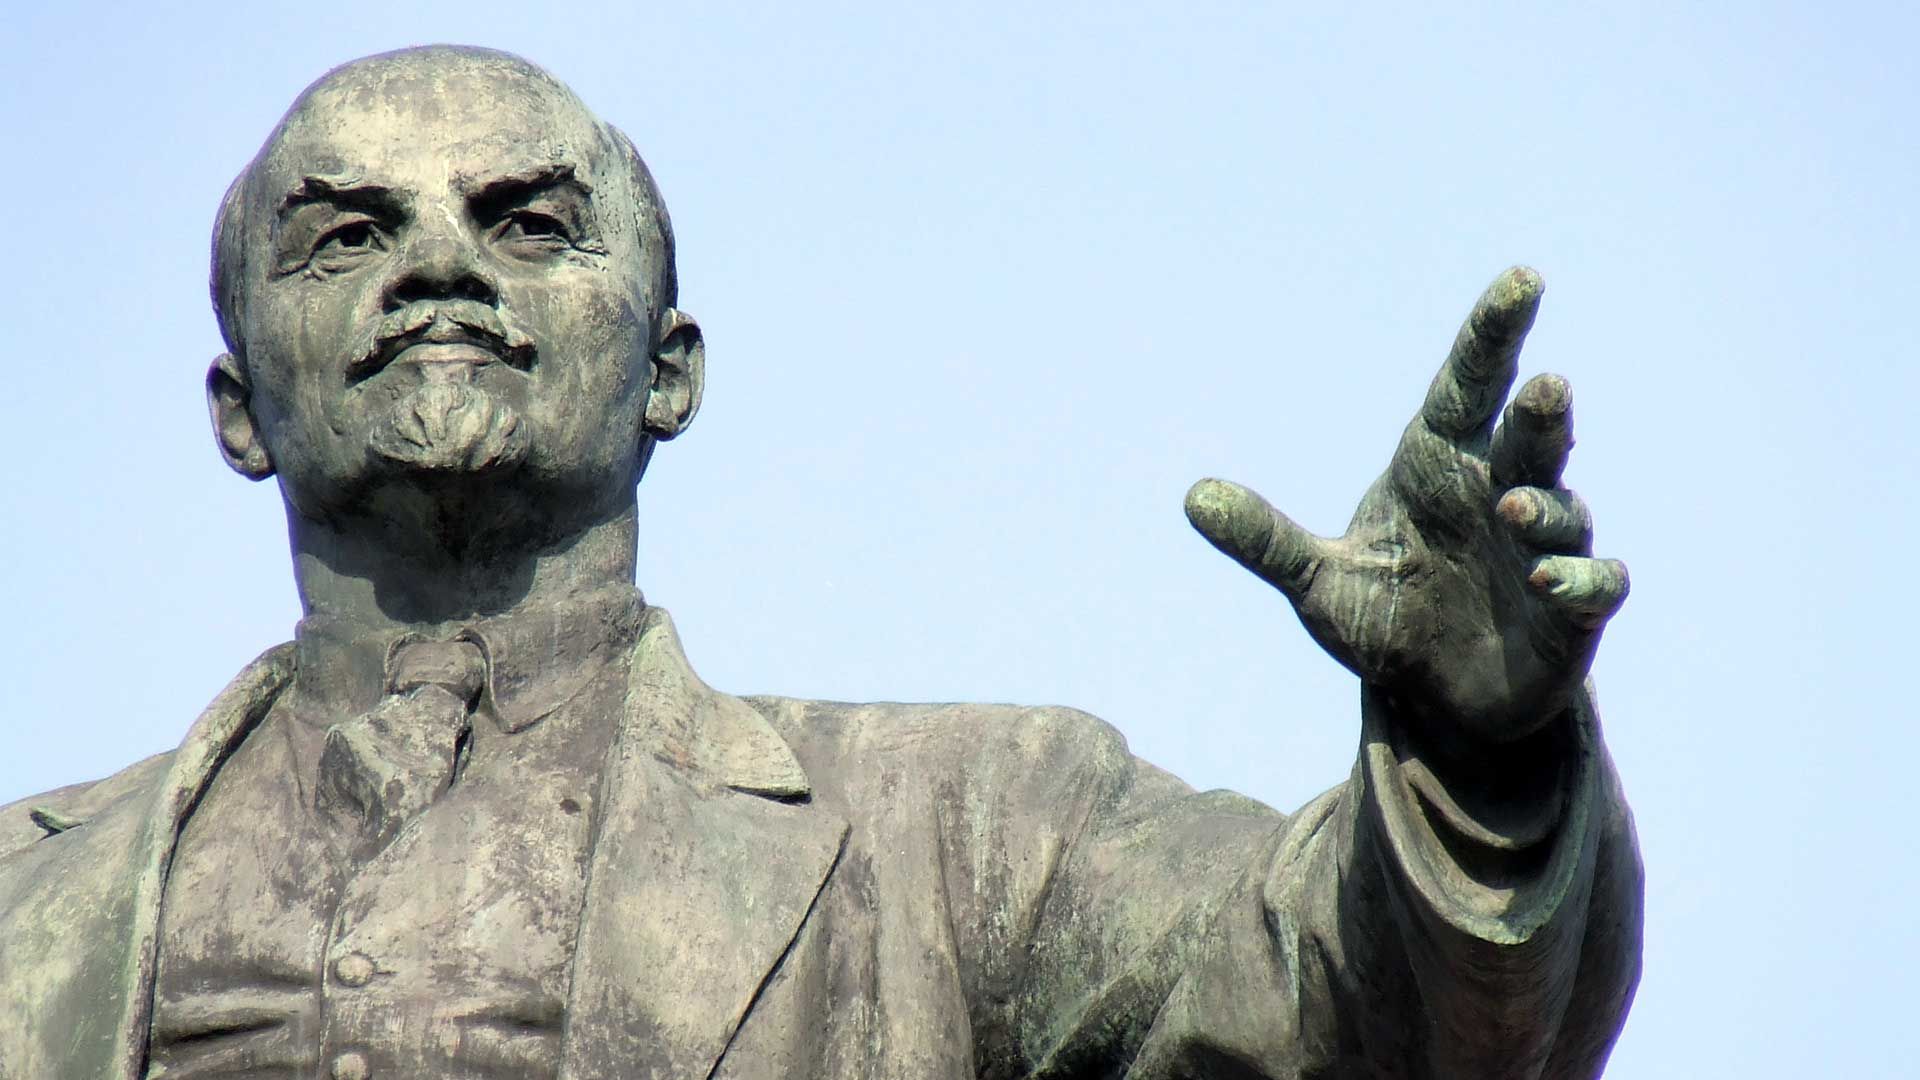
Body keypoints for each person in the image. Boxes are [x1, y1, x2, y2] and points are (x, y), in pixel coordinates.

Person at [0, 46, 1640, 1080]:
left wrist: (1472, 751)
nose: (440, 266)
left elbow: (1363, 1017)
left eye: (528, 224)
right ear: (238, 407)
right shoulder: (28, 897)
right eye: (349, 233)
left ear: (669, 375)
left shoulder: (973, 831)